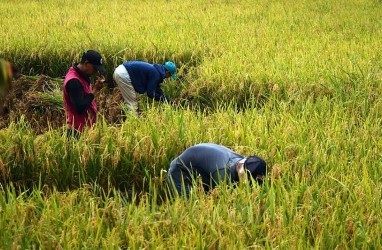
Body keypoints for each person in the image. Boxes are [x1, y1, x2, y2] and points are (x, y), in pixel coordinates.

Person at [167, 143, 267, 197]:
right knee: (191, 205)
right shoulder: (222, 173)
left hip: (204, 168)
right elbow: (219, 200)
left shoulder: (245, 162)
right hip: (180, 170)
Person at [63, 50, 106, 137]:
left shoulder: (82, 76)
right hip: (77, 132)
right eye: (94, 68)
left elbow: (85, 96)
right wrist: (94, 91)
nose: (95, 72)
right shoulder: (74, 81)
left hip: (85, 129)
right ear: (86, 64)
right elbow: (80, 107)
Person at [113, 60, 177, 114]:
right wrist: (163, 99)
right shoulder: (156, 74)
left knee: (131, 98)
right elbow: (150, 93)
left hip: (121, 70)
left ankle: (130, 115)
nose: (168, 77)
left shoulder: (156, 71)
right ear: (168, 73)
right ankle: (133, 121)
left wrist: (166, 99)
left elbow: (156, 88)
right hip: (123, 74)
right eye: (170, 75)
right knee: (132, 102)